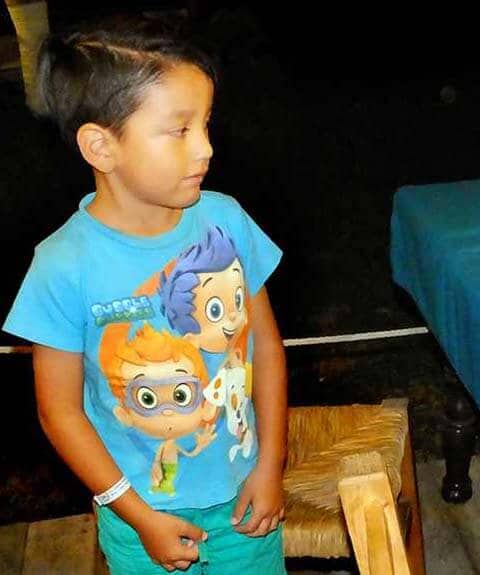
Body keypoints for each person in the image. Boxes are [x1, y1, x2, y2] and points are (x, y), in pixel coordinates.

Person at [3, 14, 288, 574]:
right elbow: (60, 413)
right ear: (100, 147)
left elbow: (268, 350)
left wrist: (270, 464)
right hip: (141, 517)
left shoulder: (225, 220)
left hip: (244, 502)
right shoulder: (62, 265)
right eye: (179, 130)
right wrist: (135, 513)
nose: (205, 148)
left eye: (206, 124)